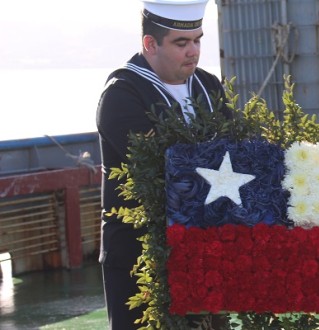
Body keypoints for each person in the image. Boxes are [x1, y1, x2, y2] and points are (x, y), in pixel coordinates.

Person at [96, 0, 231, 328]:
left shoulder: (209, 87)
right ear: (150, 44)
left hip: (203, 250)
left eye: (198, 40)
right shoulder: (121, 95)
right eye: (181, 43)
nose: (193, 52)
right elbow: (167, 165)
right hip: (141, 255)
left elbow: (237, 152)